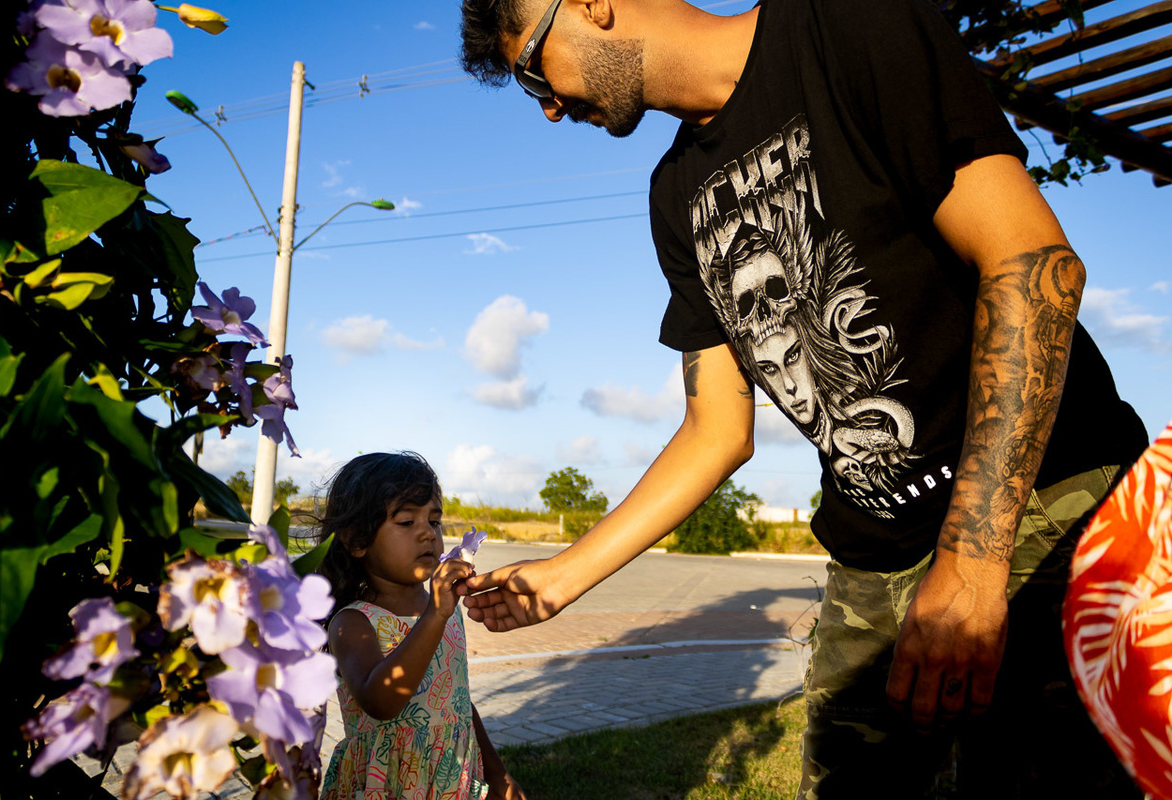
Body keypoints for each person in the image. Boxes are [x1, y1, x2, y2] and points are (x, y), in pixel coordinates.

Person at [456, 0, 1151, 796]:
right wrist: (560, 578)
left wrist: (970, 563)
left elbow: (1030, 264)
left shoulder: (845, 23)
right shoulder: (674, 195)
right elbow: (715, 430)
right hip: (873, 556)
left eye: (532, 71)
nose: (547, 108)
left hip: (1045, 504)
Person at [316, 452, 525, 800]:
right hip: (387, 785)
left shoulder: (444, 611)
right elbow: (380, 702)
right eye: (406, 521)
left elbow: (458, 701)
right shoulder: (353, 622)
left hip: (450, 783)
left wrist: (498, 775)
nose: (428, 533)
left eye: (434, 520)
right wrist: (435, 616)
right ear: (356, 540)